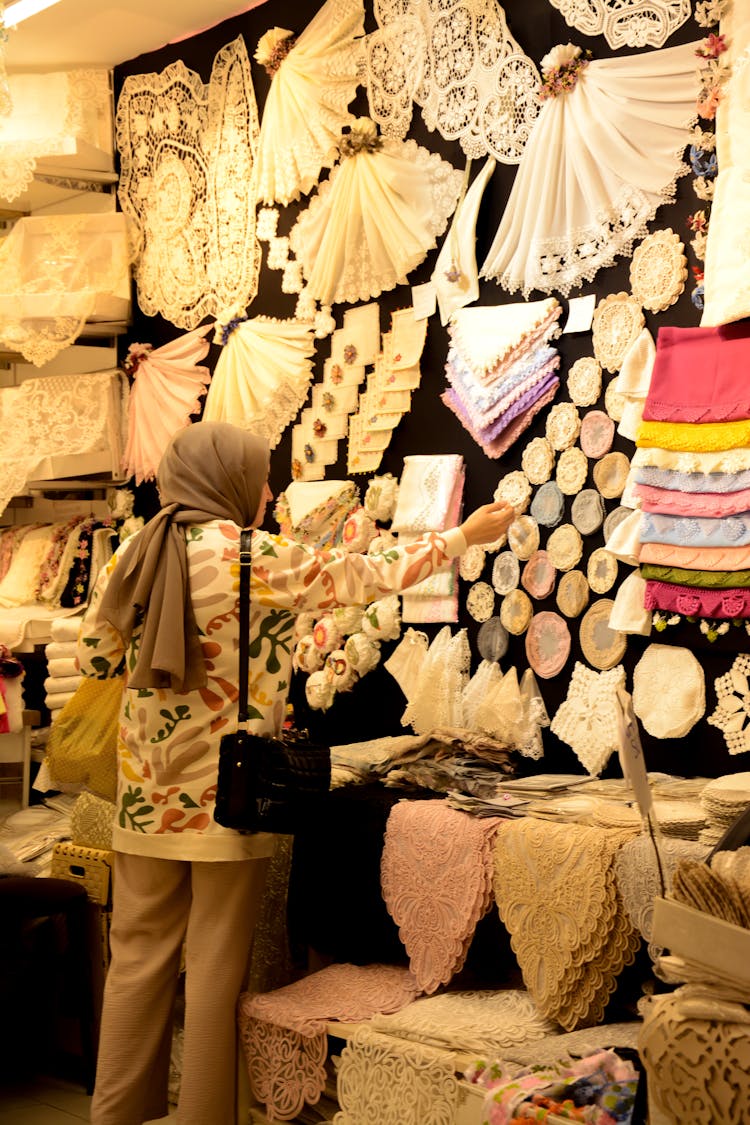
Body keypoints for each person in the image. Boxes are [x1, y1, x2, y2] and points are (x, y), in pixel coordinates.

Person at [79, 421, 515, 1125]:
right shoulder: (257, 558)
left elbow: (97, 661)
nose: (270, 489)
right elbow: (372, 574)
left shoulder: (130, 554)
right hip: (230, 795)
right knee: (218, 967)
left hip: (144, 797)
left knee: (134, 963)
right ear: (227, 482)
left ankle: (115, 1116)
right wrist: (466, 536)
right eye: (260, 476)